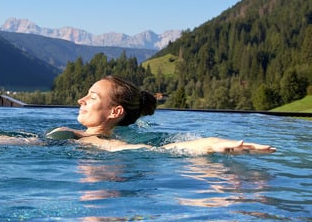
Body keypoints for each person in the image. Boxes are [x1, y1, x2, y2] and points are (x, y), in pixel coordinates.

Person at [48, 75, 276, 154]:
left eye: (93, 97)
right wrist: (209, 144)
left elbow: (153, 151)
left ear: (115, 111)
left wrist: (209, 144)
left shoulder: (73, 136)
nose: (81, 100)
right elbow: (161, 150)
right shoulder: (115, 140)